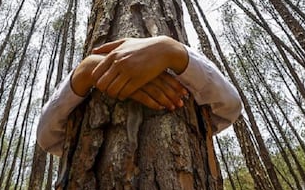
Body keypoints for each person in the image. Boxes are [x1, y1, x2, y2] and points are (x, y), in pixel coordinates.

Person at [37, 35, 242, 156]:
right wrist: (84, 72)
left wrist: (171, 50)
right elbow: (47, 137)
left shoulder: (185, 67)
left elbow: (229, 106)